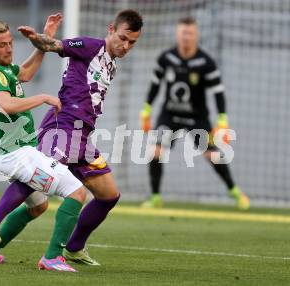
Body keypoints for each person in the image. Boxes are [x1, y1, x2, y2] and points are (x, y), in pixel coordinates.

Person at [17, 9, 143, 265]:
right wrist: (37, 38)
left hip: (83, 137)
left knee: (109, 195)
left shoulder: (111, 63)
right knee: (35, 186)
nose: (126, 45)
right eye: (123, 38)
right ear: (111, 29)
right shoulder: (89, 46)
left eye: (132, 42)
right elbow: (53, 45)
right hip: (63, 128)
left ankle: (74, 248)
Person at [0, 14, 87, 272]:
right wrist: (44, 97)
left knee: (38, 206)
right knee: (77, 192)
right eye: (1, 45)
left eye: (10, 42)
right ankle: (52, 257)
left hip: (16, 152)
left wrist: (42, 42)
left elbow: (24, 73)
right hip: (18, 154)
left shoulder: (5, 70)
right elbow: (6, 104)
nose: (9, 48)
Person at [139, 17, 249, 210]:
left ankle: (235, 191)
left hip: (197, 117)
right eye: (183, 33)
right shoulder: (167, 58)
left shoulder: (205, 62)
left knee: (212, 155)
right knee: (154, 151)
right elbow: (155, 85)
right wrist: (146, 109)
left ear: (196, 35)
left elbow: (218, 92)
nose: (186, 37)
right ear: (177, 34)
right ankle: (155, 197)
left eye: (189, 33)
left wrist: (222, 118)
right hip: (170, 114)